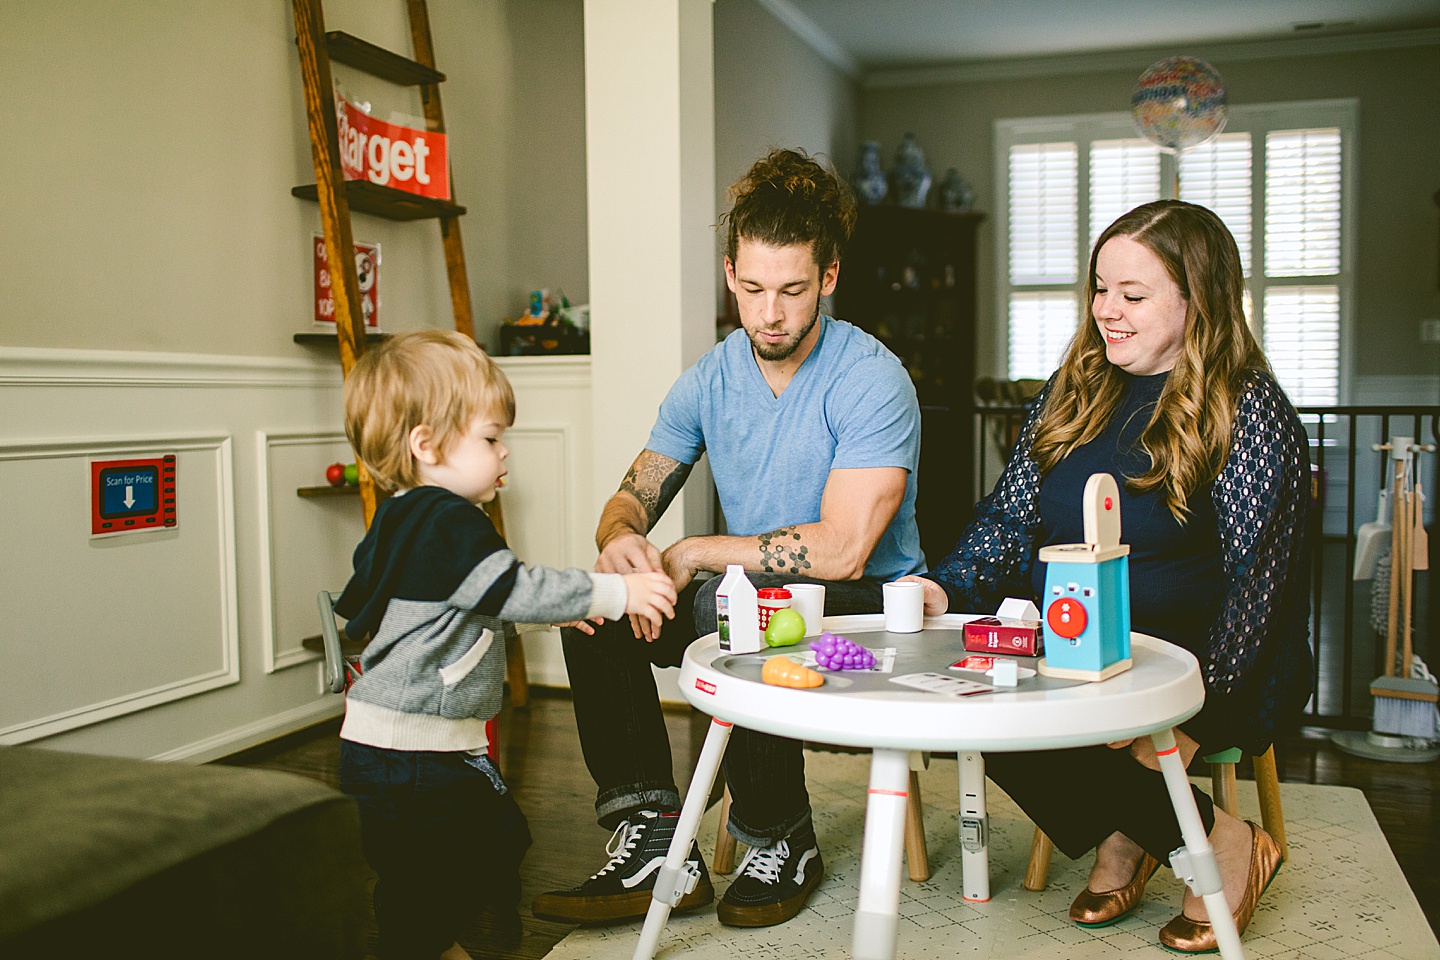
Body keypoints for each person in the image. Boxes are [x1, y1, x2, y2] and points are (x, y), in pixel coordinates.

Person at [902, 200, 1313, 953]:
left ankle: (1191, 843)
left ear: (1198, 302)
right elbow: (1011, 517)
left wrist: (1192, 711)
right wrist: (948, 585)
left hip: (1205, 656)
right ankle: (1168, 829)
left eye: (1133, 295)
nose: (1106, 312)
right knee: (982, 710)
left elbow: (1261, 587)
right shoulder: (1074, 388)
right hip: (1070, 638)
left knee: (1098, 729)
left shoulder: (1248, 409)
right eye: (1100, 289)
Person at [532, 148, 925, 929]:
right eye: (750, 289)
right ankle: (647, 838)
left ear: (830, 278)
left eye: (791, 290)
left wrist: (689, 554)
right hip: (747, 596)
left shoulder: (871, 377)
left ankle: (784, 836)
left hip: (872, 609)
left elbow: (846, 549)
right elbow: (632, 495)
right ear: (728, 274)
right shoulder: (707, 379)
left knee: (739, 602)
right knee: (593, 608)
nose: (769, 314)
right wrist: (621, 549)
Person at [334, 330, 677, 960]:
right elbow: (513, 588)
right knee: (468, 860)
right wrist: (613, 595)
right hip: (419, 754)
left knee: (458, 860)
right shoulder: (448, 520)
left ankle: (426, 940)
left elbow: (459, 609)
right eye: (490, 439)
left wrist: (548, 619)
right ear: (426, 445)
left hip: (385, 746)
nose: (504, 452)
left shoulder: (402, 516)